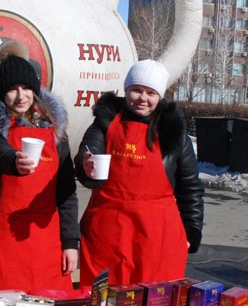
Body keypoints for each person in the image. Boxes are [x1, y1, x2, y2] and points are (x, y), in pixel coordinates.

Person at [74, 59, 204, 287]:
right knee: (102, 303)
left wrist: (191, 232)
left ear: (160, 97)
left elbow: (190, 187)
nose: (142, 98)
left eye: (150, 93)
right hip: (107, 230)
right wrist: (86, 165)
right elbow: (89, 148)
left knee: (153, 305)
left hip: (157, 236)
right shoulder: (104, 122)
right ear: (126, 90)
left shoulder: (173, 132)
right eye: (136, 90)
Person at [0, 42, 79, 291]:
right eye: (12, 89)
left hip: (47, 236)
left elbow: (67, 192)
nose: (20, 95)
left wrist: (70, 242)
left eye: (26, 88)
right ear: (2, 93)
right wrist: (14, 160)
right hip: (6, 236)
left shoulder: (55, 130)